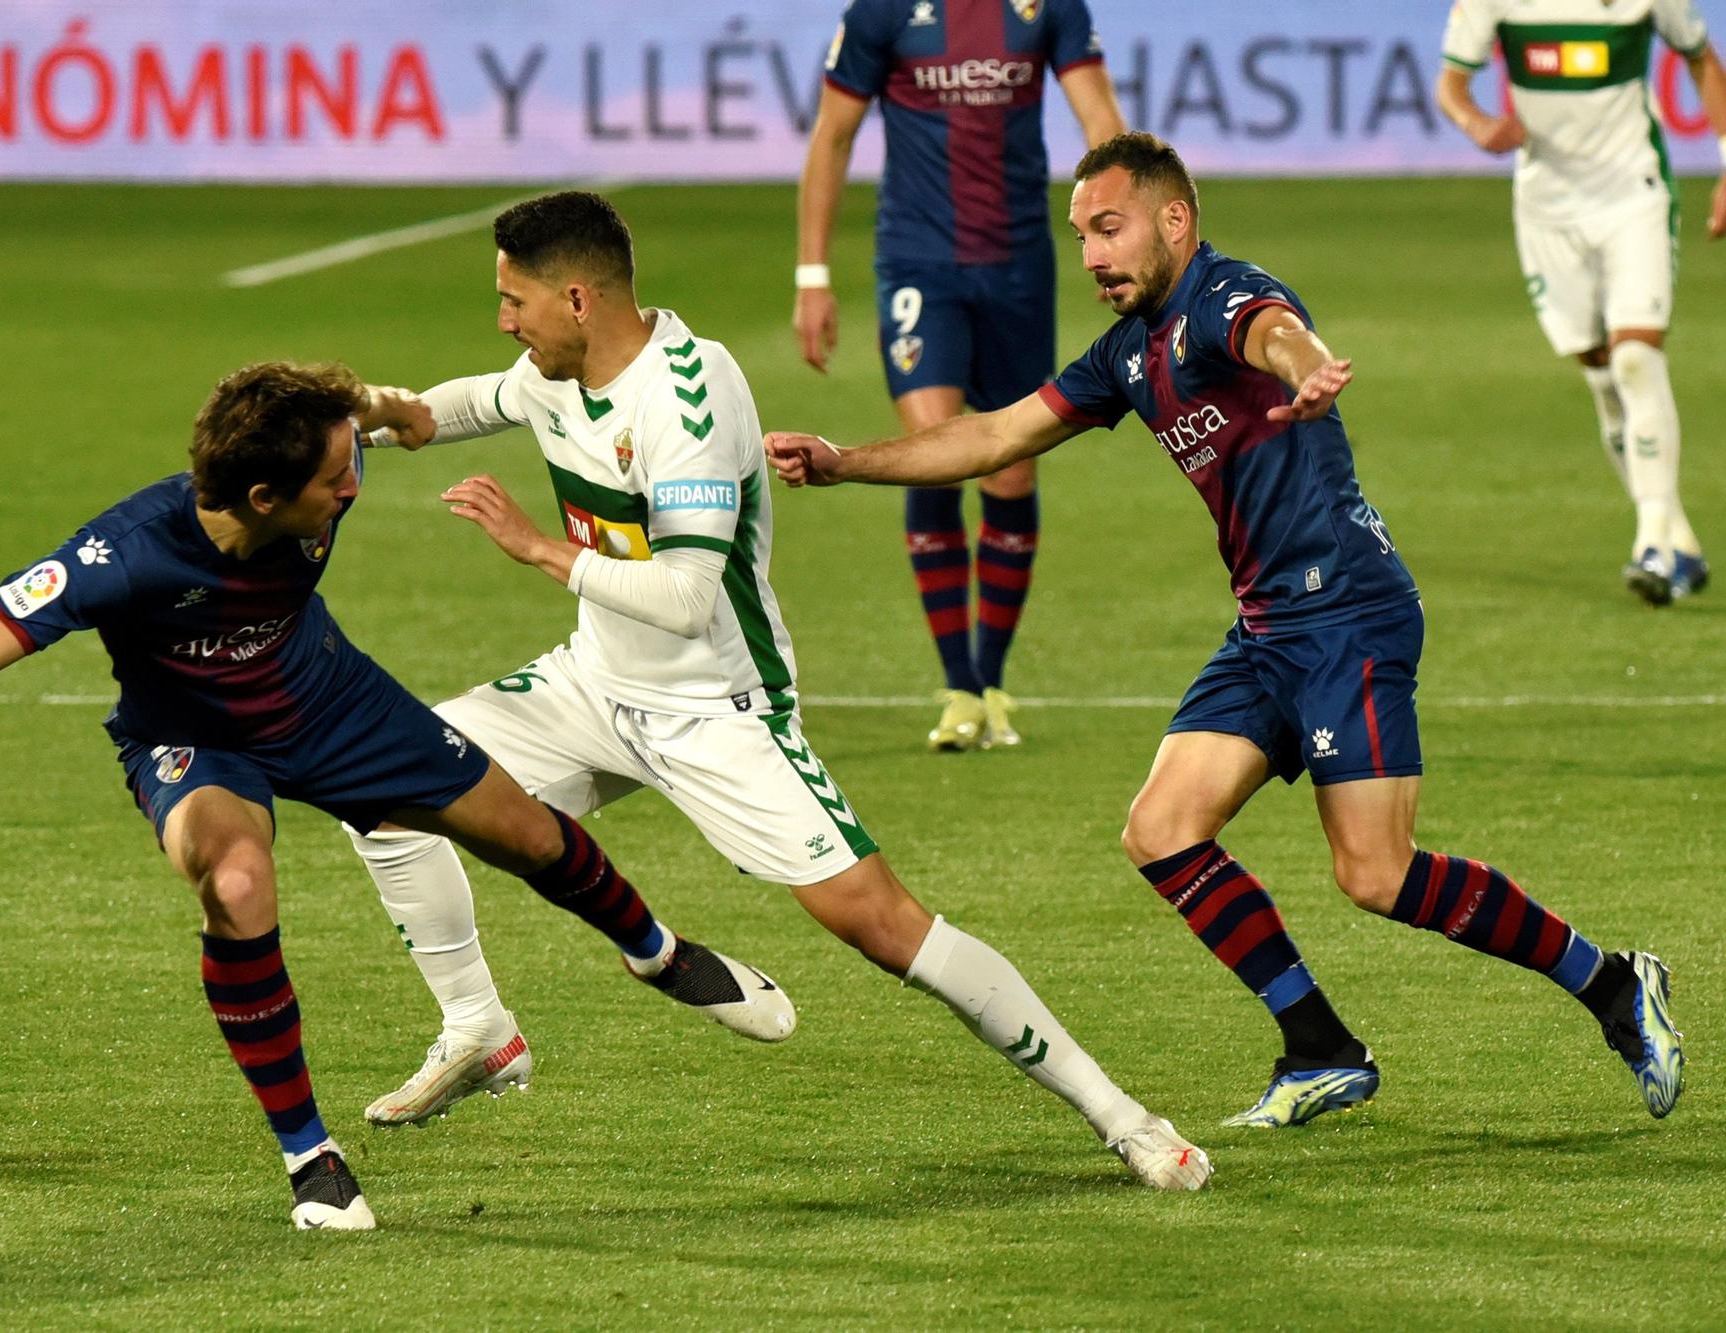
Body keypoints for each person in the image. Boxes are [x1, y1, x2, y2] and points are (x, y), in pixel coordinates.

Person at [765, 132, 1685, 1127]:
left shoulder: (1222, 299)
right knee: (1160, 831)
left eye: (1108, 229)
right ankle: (1318, 1048)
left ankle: (1610, 983)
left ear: (1173, 219)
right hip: (1265, 626)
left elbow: (1274, 331)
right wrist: (844, 460)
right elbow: (994, 433)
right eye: (1078, 237)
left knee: (1373, 874)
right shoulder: (1124, 353)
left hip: (1346, 613)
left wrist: (1308, 366)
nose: (1091, 256)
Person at [0, 361, 792, 1229]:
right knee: (238, 882)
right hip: (197, 745)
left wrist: (400, 414)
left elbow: (382, 415)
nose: (351, 488)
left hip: (329, 698)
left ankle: (657, 954)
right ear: (263, 499)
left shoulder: (317, 442)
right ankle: (311, 1157)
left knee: (524, 830)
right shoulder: (121, 557)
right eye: (335, 479)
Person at [347, 190, 1210, 1190]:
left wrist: (539, 549)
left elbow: (682, 596)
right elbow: (460, 405)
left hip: (718, 709)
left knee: (885, 927)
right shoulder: (554, 372)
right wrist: (368, 417)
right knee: (382, 785)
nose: (503, 320)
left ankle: (1127, 1120)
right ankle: (478, 1029)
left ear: (577, 299)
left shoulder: (687, 397)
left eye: (513, 301)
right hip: (591, 684)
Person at [794, 0, 1124, 750]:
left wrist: (1113, 223)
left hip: (1018, 270)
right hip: (918, 264)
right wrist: (813, 273)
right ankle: (960, 689)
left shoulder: (1049, 8)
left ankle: (992, 678)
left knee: (1010, 473)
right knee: (937, 454)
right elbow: (834, 134)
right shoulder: (882, 12)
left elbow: (1100, 120)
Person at [1437, 0, 1726, 605]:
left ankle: (1651, 543)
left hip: (1632, 194)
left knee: (1635, 362)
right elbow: (1451, 85)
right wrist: (1478, 125)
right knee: (1603, 378)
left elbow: (1700, 58)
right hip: (1548, 206)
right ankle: (1680, 540)